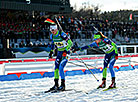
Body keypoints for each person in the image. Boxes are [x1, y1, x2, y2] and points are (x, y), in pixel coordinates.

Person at [48, 24, 73, 91]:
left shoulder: (62, 34)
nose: (52, 32)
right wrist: (51, 52)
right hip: (59, 53)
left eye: (53, 30)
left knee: (61, 67)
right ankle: (56, 85)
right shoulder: (52, 36)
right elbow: (53, 44)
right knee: (56, 68)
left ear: (56, 29)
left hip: (65, 53)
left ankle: (63, 85)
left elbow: (70, 43)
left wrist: (66, 50)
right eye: (51, 30)